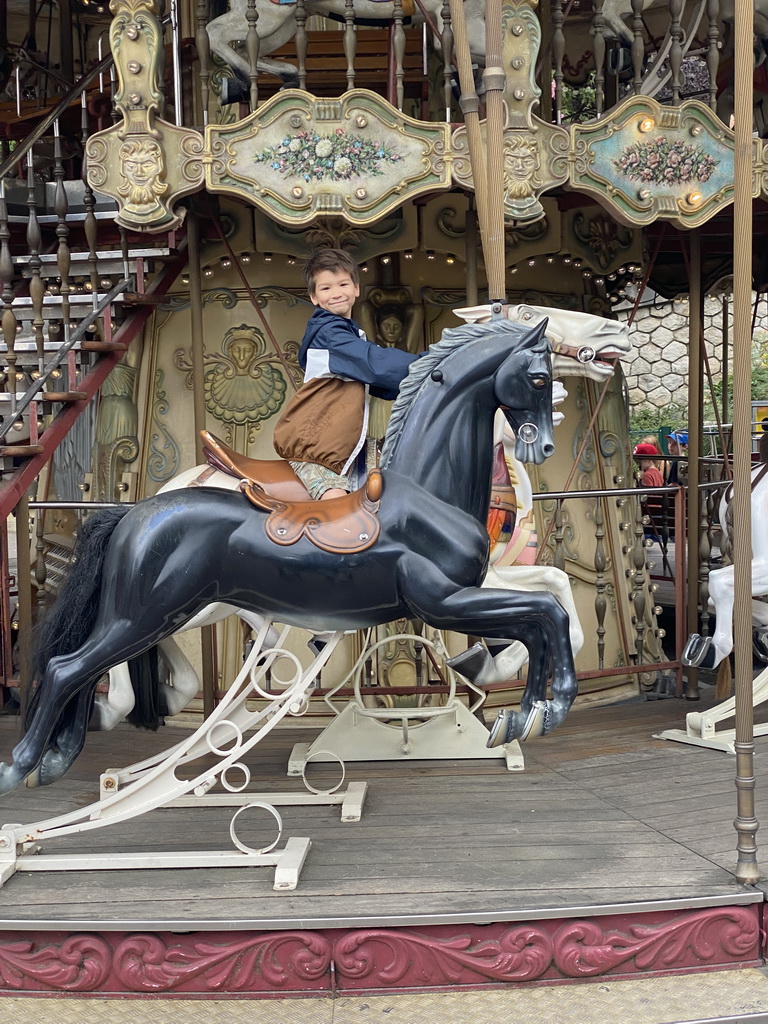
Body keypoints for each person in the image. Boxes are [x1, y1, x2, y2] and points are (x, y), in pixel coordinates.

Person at [273, 248, 421, 500]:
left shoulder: (348, 334)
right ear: (314, 297)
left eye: (343, 284)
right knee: (337, 504)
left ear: (356, 288)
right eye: (326, 288)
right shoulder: (329, 334)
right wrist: (431, 362)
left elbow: (382, 383)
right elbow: (374, 364)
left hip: (336, 448)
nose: (336, 293)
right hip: (315, 448)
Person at [633, 441, 665, 537]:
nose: (638, 464)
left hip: (650, 514)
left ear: (647, 460)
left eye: (639, 461)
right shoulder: (657, 473)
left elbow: (646, 497)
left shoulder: (646, 475)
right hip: (659, 512)